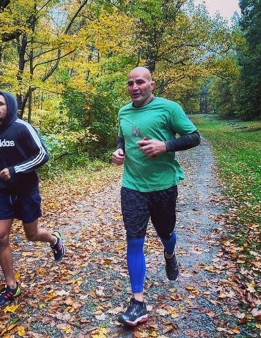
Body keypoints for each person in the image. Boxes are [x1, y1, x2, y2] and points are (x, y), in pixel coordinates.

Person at [112, 67, 201, 326]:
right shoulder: (123, 111)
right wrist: (119, 152)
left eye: (140, 82)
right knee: (134, 240)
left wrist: (165, 146)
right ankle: (137, 303)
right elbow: (122, 137)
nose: (134, 87)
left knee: (166, 234)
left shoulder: (169, 108)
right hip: (132, 187)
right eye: (130, 83)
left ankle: (170, 255)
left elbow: (194, 137)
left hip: (163, 186)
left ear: (152, 83)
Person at [0, 91, 65, 308]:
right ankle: (11, 286)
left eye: (0, 103)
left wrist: (16, 170)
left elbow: (42, 155)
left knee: (32, 234)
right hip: (3, 192)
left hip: (26, 191)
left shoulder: (22, 127)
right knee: (0, 237)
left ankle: (54, 240)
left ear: (9, 105)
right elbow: (1, 161)